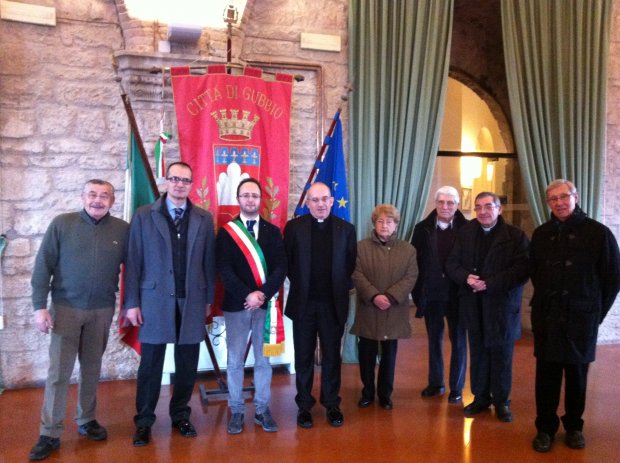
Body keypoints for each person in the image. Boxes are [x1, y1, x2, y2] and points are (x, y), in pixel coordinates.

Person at [28, 179, 128, 461]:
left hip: (102, 310)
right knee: (59, 373)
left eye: (104, 196)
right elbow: (42, 266)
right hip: (65, 309)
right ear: (83, 197)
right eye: (92, 194)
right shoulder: (62, 224)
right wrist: (39, 307)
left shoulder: (122, 229)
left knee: (92, 369)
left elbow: (134, 268)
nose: (98, 200)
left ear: (112, 201)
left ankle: (87, 419)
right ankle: (50, 432)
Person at [124, 161, 215, 446]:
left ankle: (180, 416)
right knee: (151, 365)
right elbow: (133, 261)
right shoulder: (144, 215)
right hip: (153, 301)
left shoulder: (203, 218)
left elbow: (209, 262)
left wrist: (209, 300)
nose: (179, 184)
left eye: (185, 180)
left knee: (187, 364)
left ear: (191, 185)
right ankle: (144, 421)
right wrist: (131, 302)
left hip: (192, 300)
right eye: (175, 179)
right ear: (166, 180)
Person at [529, 179, 620, 452]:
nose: (559, 203)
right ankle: (545, 428)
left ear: (575, 197)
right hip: (548, 317)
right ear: (548, 203)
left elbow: (612, 278)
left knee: (577, 376)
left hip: (581, 318)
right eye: (553, 199)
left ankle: (574, 427)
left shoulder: (599, 233)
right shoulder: (541, 234)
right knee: (546, 377)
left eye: (564, 197)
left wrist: (595, 313)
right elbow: (536, 273)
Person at [446, 191, 529, 422]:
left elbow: (522, 270)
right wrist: (466, 277)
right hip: (473, 305)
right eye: (478, 207)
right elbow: (452, 264)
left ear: (499, 209)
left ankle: (502, 402)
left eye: (488, 206)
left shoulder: (515, 236)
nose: (483, 211)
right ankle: (480, 398)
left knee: (502, 357)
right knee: (479, 354)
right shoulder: (465, 233)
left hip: (502, 307)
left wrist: (489, 283)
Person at [215, 178, 287, 434]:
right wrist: (247, 294)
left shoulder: (273, 232)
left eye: (254, 195)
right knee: (235, 360)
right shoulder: (227, 232)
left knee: (263, 361)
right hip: (237, 305)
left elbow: (281, 267)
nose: (250, 199)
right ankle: (236, 410)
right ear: (238, 199)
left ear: (260, 199)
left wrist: (262, 295)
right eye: (245, 195)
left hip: (265, 306)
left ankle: (261, 409)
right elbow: (224, 269)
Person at [283, 182, 357, 428]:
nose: (320, 204)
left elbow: (349, 265)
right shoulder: (294, 228)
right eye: (315, 200)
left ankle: (332, 403)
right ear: (308, 203)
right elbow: (289, 264)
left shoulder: (346, 229)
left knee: (332, 357)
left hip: (332, 305)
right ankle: (304, 406)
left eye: (325, 199)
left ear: (332, 201)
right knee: (303, 357)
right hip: (304, 304)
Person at [350, 204, 417, 410]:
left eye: (389, 221)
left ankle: (385, 394)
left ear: (396, 224)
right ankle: (367, 392)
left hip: (393, 310)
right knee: (367, 355)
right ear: (374, 223)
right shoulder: (360, 248)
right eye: (380, 221)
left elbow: (411, 276)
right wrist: (374, 296)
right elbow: (356, 274)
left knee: (389, 356)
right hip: (369, 308)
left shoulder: (408, 250)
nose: (384, 225)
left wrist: (390, 297)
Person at [411, 186, 468, 404]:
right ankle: (436, 383)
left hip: (458, 296)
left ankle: (457, 387)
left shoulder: (468, 229)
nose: (445, 206)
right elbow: (415, 262)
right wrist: (418, 293)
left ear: (457, 205)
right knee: (434, 340)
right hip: (432, 294)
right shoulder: (422, 229)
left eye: (450, 203)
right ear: (435, 204)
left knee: (459, 342)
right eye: (441, 202)